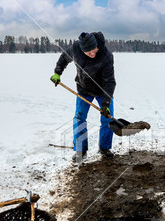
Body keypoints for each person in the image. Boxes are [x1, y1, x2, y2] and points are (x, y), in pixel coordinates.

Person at [50, 32, 116, 161]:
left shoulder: (106, 56)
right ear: (82, 50)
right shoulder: (75, 49)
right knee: (79, 117)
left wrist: (106, 103)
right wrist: (57, 73)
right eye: (89, 52)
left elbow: (110, 81)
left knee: (107, 119)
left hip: (103, 91)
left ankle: (104, 147)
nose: (93, 54)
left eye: (94, 50)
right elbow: (64, 58)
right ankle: (81, 150)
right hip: (84, 89)